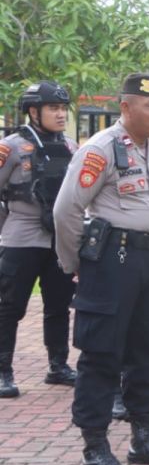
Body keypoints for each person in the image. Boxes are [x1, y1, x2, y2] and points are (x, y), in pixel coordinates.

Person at [53, 73, 149, 465]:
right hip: (113, 259)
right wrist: (77, 263)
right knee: (102, 354)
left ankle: (143, 438)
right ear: (126, 107)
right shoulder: (101, 149)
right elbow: (66, 211)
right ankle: (95, 448)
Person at [0, 82, 78, 399]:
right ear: (34, 112)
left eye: (63, 109)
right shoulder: (11, 147)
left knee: (59, 306)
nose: (61, 115)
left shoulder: (72, 147)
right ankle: (3, 371)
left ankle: (58, 365)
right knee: (9, 307)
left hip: (58, 240)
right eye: (53, 109)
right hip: (22, 236)